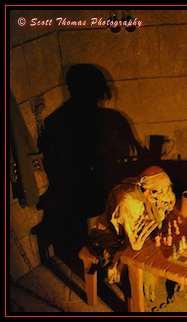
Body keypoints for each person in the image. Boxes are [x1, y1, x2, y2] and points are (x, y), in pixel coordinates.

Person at [36, 63, 148, 267]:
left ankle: (104, 249)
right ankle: (112, 252)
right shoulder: (108, 119)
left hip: (72, 193)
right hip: (87, 194)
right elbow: (126, 155)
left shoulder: (55, 121)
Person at [87, 165, 177, 301]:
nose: (161, 196)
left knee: (161, 253)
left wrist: (160, 213)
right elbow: (133, 244)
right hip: (110, 235)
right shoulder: (125, 203)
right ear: (146, 190)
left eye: (163, 191)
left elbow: (170, 198)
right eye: (156, 193)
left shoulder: (152, 188)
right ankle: (135, 303)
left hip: (135, 231)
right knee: (140, 272)